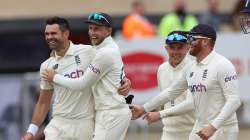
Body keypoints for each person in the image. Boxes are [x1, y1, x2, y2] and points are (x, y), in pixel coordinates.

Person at [22, 17, 131, 140]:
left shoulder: (88, 52)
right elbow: (43, 102)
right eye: (47, 34)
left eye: (53, 33)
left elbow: (112, 66)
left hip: (85, 124)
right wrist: (31, 131)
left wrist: (125, 81)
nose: (49, 37)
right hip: (58, 122)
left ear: (66, 34)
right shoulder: (46, 66)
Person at [132, 24, 241, 140]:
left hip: (222, 128)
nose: (189, 43)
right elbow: (171, 92)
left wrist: (213, 127)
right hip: (200, 127)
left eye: (193, 39)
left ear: (205, 41)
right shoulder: (191, 67)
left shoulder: (223, 65)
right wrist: (144, 108)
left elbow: (234, 101)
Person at [143, 31, 195, 140]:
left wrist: (160, 114)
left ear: (188, 48)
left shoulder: (194, 68)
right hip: (168, 133)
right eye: (172, 47)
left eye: (179, 47)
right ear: (166, 48)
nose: (175, 52)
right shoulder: (162, 69)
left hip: (192, 132)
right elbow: (164, 99)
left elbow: (190, 104)